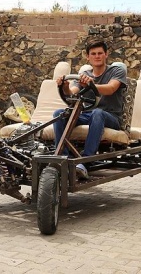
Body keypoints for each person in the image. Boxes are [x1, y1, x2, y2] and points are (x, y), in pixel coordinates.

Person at [53, 40, 127, 179]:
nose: (97, 56)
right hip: (87, 115)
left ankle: (86, 161)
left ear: (106, 55)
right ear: (88, 57)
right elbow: (72, 93)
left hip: (111, 117)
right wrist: (64, 86)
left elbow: (111, 89)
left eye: (100, 53)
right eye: (93, 54)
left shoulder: (116, 71)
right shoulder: (85, 74)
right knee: (59, 113)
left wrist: (90, 85)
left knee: (97, 113)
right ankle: (64, 158)